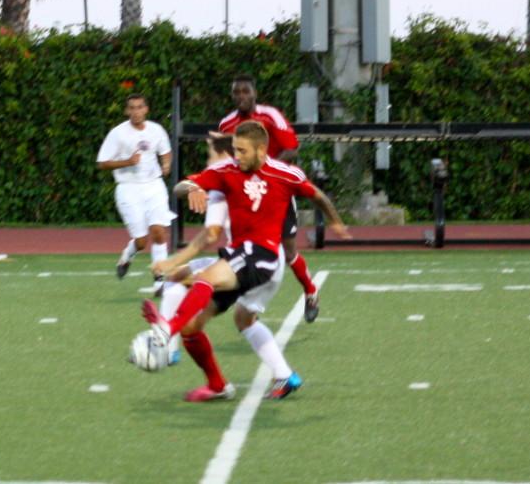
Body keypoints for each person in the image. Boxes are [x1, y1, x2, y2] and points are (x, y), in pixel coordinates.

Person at [142, 121, 351, 402]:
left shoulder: (285, 174)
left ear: (261, 149)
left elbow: (317, 196)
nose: (236, 156)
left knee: (204, 278)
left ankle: (167, 329)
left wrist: (336, 222)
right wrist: (191, 188)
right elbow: (182, 186)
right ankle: (245, 381)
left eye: (242, 151)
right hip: (241, 257)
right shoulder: (225, 173)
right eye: (234, 150)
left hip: (263, 256)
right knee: (215, 323)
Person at [218, 74, 324, 322]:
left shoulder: (270, 116)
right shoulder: (227, 124)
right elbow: (224, 159)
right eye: (237, 92)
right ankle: (251, 308)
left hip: (276, 193)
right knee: (247, 250)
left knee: (288, 251)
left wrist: (264, 170)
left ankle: (310, 291)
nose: (241, 96)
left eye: (246, 91)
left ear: (254, 93)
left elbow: (292, 148)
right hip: (246, 198)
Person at [96, 93, 174, 280]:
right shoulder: (118, 133)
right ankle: (127, 255)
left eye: (140, 107)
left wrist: (166, 165)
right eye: (132, 108)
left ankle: (160, 280)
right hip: (128, 188)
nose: (136, 111)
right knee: (141, 241)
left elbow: (166, 151)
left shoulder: (156, 130)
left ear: (146, 109)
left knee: (159, 231)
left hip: (154, 185)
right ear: (126, 110)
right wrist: (128, 162)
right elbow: (102, 163)